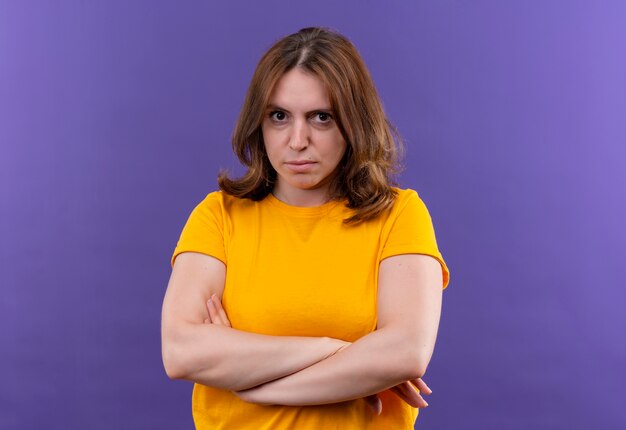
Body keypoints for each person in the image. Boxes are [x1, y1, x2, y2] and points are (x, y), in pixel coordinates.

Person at [161, 26, 450, 429]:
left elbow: (406, 354)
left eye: (321, 117)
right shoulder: (218, 216)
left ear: (353, 121)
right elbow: (180, 352)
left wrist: (254, 383)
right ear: (258, 123)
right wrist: (341, 351)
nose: (298, 140)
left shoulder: (400, 215)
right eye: (279, 116)